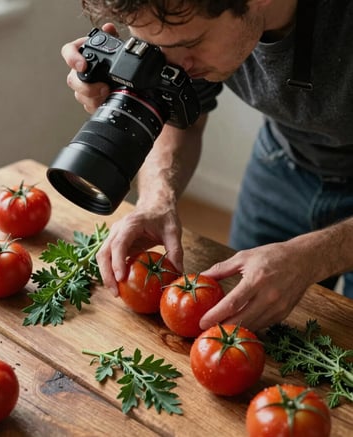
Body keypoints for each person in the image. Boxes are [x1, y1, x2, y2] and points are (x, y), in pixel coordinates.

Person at [61, 0, 353, 331]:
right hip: (282, 161)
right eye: (160, 48)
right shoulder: (183, 20)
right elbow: (181, 119)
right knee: (244, 316)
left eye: (188, 45)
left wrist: (311, 257)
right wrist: (157, 200)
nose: (176, 67)